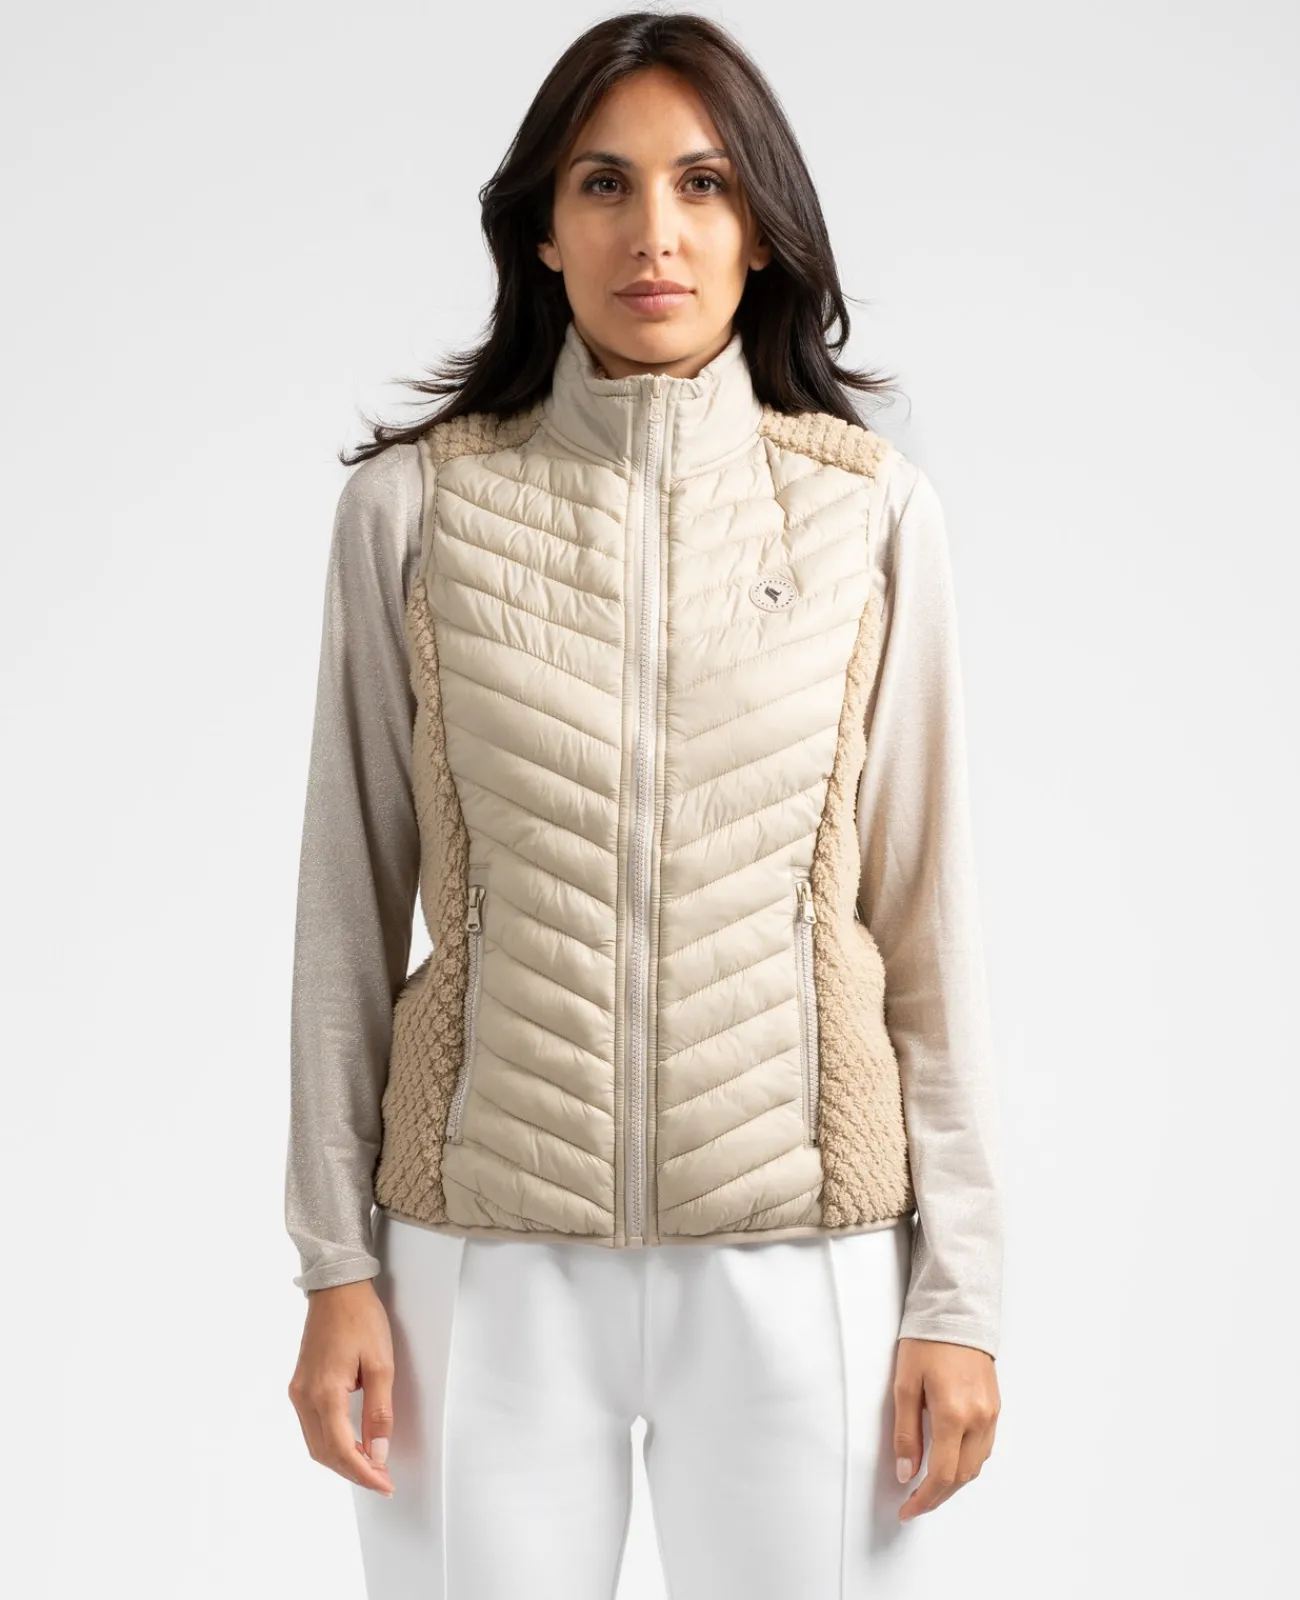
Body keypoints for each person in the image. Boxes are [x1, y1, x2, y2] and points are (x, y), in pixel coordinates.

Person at [285, 12, 1004, 1597]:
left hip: (802, 1260)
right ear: (543, 230)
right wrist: (335, 1264)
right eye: (604, 184)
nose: (654, 232)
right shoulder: (414, 510)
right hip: (476, 1263)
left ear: (763, 232)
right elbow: (346, 909)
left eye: (703, 184)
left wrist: (959, 1296)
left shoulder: (870, 516)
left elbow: (926, 928)